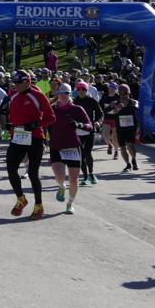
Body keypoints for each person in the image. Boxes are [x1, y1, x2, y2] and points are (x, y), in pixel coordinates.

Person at [4, 70, 55, 220]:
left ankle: (38, 205)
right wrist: (10, 124)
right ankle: (21, 198)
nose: (16, 85)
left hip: (35, 137)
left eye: (19, 83)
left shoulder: (38, 95)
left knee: (33, 173)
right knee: (11, 168)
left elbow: (51, 118)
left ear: (27, 81)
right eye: (14, 83)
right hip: (18, 136)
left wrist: (35, 124)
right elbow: (11, 113)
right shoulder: (13, 94)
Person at [49, 85, 92, 215]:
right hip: (56, 146)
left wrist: (79, 125)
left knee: (73, 180)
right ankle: (61, 186)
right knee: (60, 177)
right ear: (57, 93)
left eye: (66, 92)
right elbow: (42, 123)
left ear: (70, 94)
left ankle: (70, 204)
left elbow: (89, 126)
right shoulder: (51, 109)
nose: (63, 95)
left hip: (73, 146)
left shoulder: (77, 109)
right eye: (61, 92)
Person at [73, 82, 103, 185]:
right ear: (77, 90)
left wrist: (98, 122)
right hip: (78, 131)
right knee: (81, 155)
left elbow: (100, 113)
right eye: (79, 89)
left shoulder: (92, 101)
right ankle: (85, 176)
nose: (81, 91)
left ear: (87, 90)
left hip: (89, 130)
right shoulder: (74, 102)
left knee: (87, 152)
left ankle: (91, 174)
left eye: (83, 89)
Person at [113, 84, 140, 171]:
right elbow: (110, 112)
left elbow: (136, 106)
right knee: (122, 147)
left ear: (128, 93)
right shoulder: (115, 103)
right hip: (120, 128)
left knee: (130, 145)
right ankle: (128, 164)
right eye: (120, 93)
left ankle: (134, 160)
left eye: (124, 93)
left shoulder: (134, 102)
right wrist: (115, 109)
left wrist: (122, 108)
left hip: (131, 127)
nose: (122, 95)